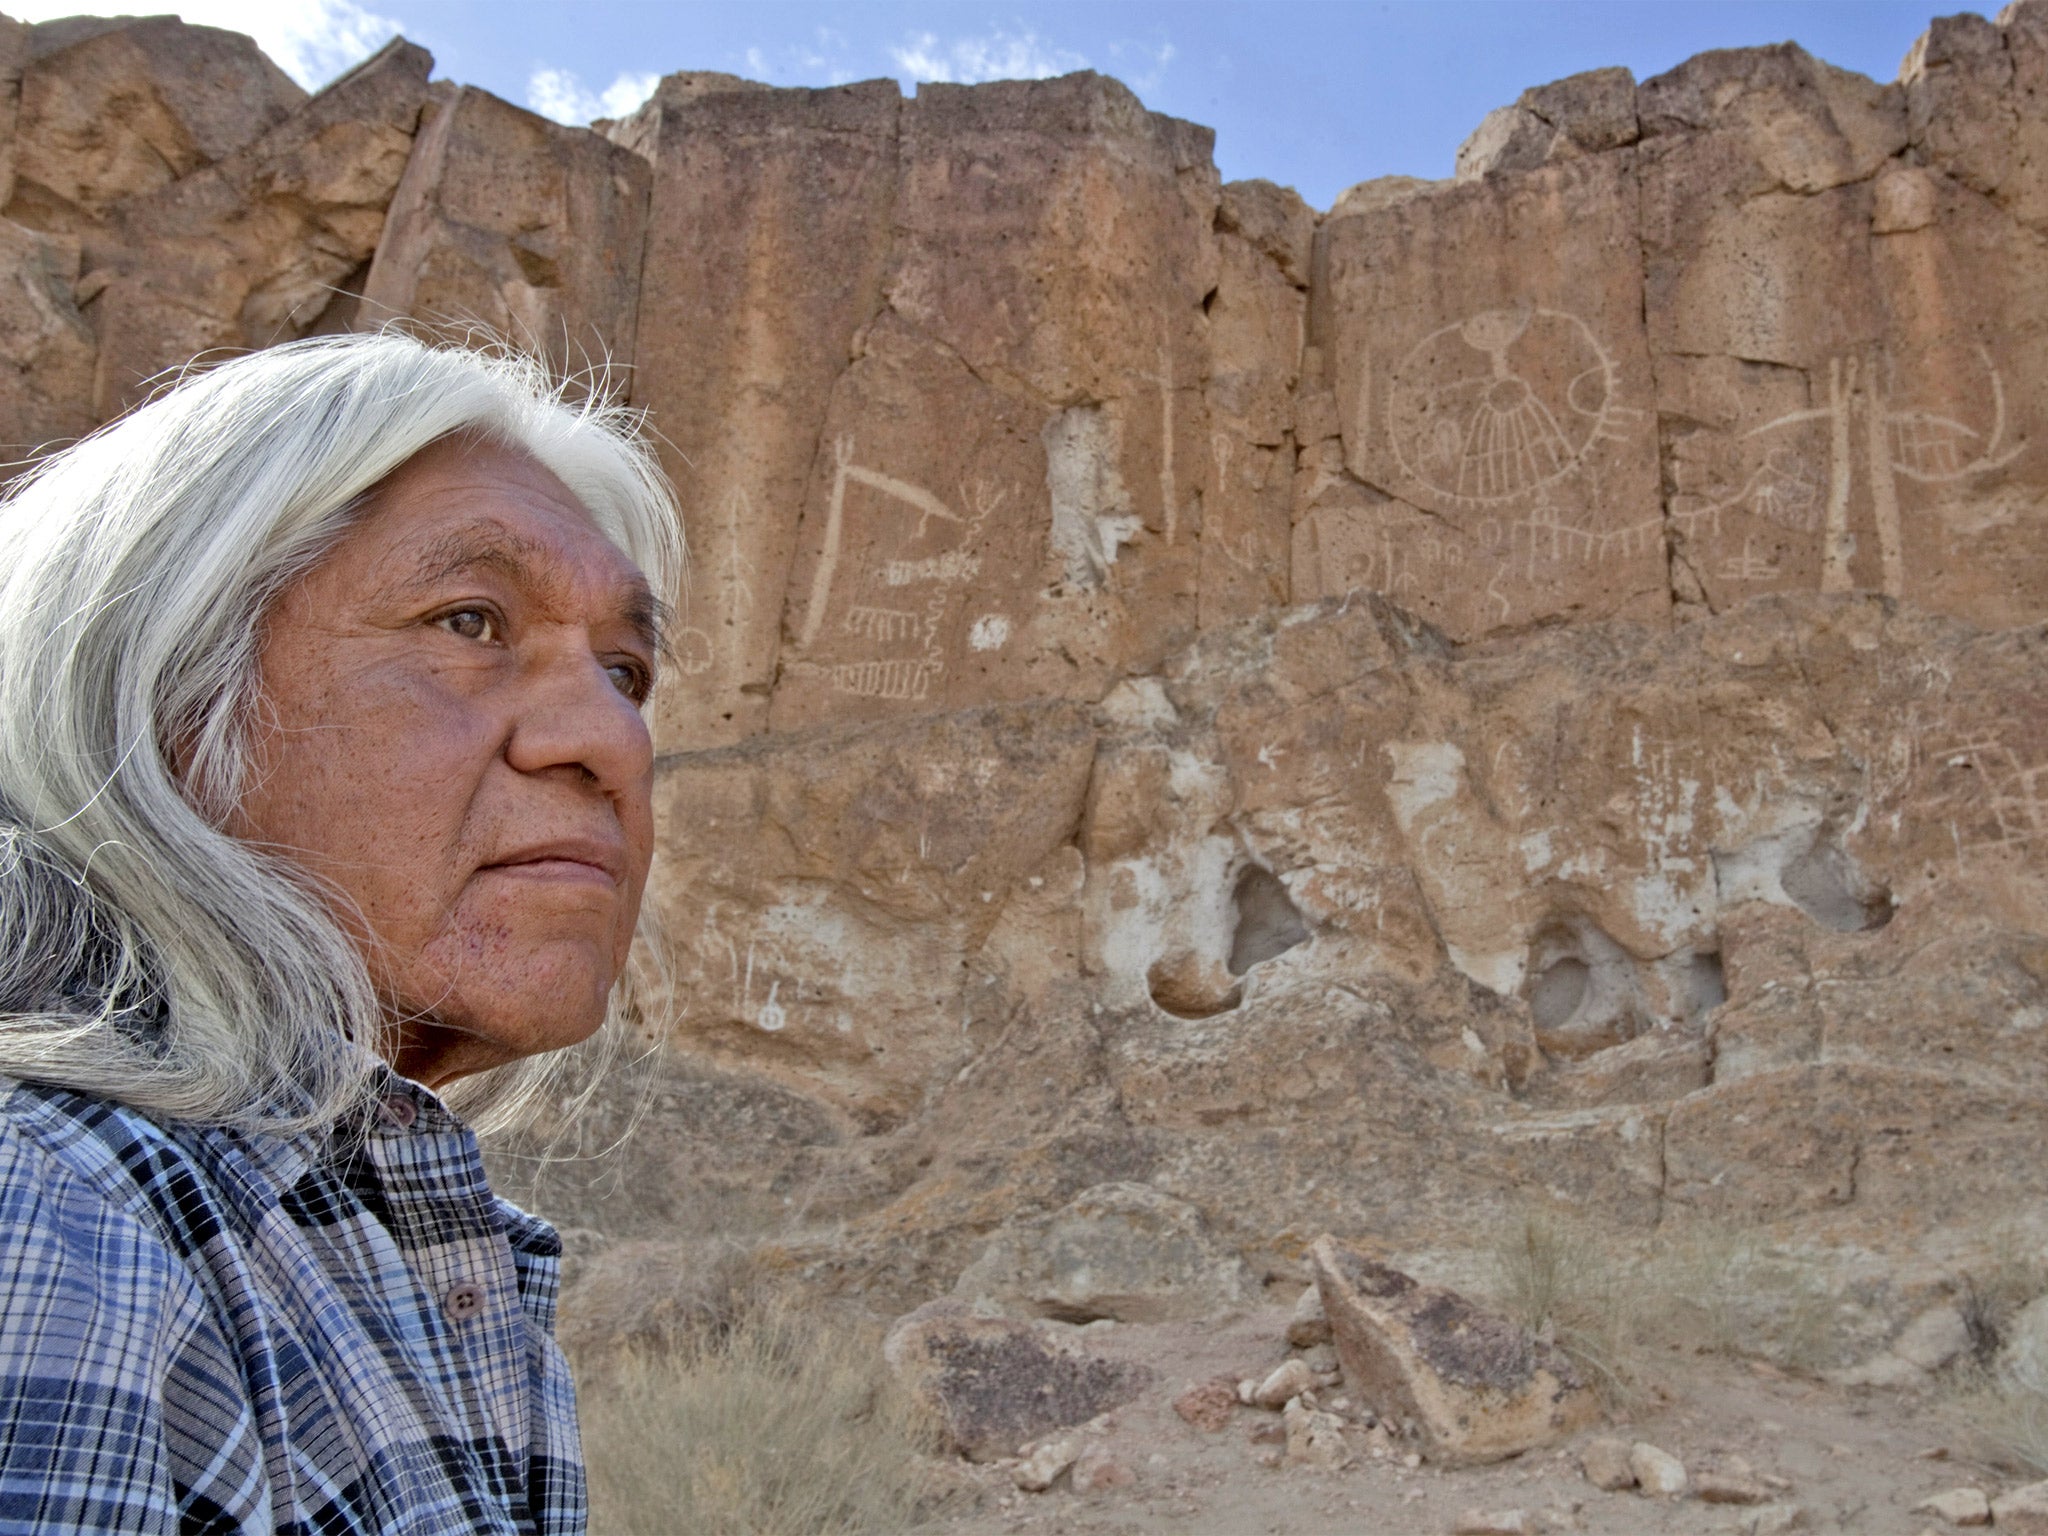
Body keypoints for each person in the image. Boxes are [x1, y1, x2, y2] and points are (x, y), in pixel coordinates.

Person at [0, 331, 683, 1534]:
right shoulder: (52, 1215)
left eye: (625, 670)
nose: (612, 742)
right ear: (165, 691)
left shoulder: (411, 1259)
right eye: (468, 621)